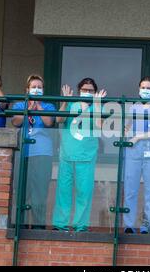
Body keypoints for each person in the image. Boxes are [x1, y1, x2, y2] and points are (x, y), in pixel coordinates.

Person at [52, 78, 107, 232]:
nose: (87, 92)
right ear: (79, 90)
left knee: (84, 192)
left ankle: (80, 225)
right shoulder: (71, 104)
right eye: (84, 90)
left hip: (86, 156)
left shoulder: (98, 107)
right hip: (67, 154)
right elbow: (59, 119)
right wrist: (64, 101)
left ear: (95, 92)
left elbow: (98, 127)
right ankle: (60, 224)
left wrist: (96, 104)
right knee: (63, 191)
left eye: (90, 90)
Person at [11, 75, 56, 229]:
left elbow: (49, 122)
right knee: (22, 192)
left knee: (40, 193)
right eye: (33, 87)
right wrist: (29, 108)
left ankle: (38, 227)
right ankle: (20, 225)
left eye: (39, 87)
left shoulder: (48, 106)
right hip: (23, 153)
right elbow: (16, 122)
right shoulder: (19, 104)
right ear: (27, 89)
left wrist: (39, 106)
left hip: (42, 154)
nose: (36, 90)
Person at [123, 76, 150, 234]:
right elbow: (125, 128)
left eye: (149, 88)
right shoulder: (132, 107)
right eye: (143, 87)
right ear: (138, 89)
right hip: (133, 152)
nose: (145, 90)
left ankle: (147, 226)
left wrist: (138, 136)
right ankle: (129, 225)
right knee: (130, 190)